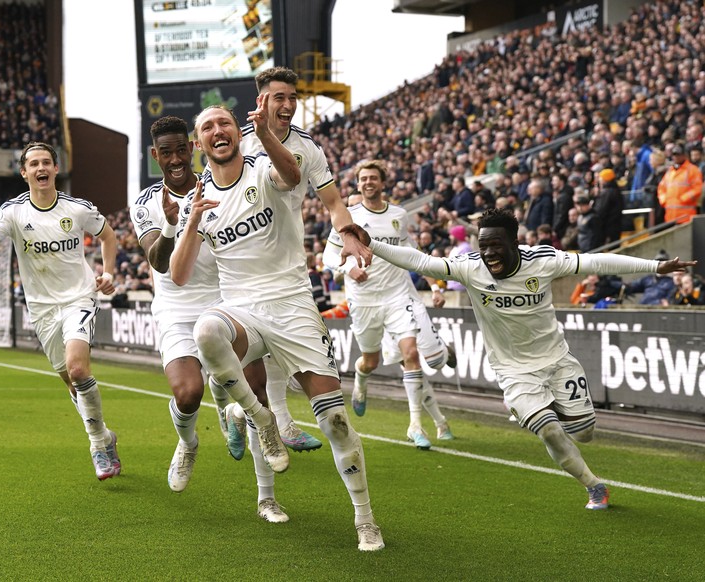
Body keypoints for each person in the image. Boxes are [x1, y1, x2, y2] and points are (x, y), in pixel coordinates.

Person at [338, 207, 695, 510]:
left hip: (557, 360)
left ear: (515, 243)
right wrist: (372, 242)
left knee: (584, 433)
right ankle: (593, 484)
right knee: (550, 431)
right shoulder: (469, 267)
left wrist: (655, 267)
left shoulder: (543, 261)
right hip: (512, 371)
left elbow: (597, 261)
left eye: (496, 245)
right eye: (483, 245)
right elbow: (421, 261)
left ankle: (546, 409)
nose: (489, 253)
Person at [170, 101, 383, 551]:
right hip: (243, 310)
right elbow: (180, 275)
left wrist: (265, 131)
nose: (218, 131)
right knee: (205, 330)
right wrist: (189, 224)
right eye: (208, 127)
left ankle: (366, 520)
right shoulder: (200, 200)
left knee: (337, 423)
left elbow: (291, 176)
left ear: (236, 131)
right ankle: (260, 417)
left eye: (224, 122)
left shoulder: (263, 167)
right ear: (198, 143)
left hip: (292, 307)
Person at [130, 117, 284, 523]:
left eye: (183, 149)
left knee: (257, 391)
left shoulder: (218, 185)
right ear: (155, 156)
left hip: (228, 303)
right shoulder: (145, 202)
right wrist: (169, 222)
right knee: (186, 394)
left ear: (194, 145)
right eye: (167, 153)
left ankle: (266, 498)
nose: (177, 159)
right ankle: (189, 443)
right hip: (177, 312)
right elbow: (159, 263)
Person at [0, 142, 122, 481]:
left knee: (77, 368)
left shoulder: (77, 208)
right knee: (71, 382)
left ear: (56, 169)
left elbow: (108, 236)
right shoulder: (13, 212)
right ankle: (105, 435)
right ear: (24, 172)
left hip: (79, 299)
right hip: (42, 309)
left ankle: (97, 444)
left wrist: (109, 272)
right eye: (34, 163)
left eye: (46, 162)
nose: (41, 168)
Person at [234, 66, 371, 455]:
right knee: (241, 356)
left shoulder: (307, 147)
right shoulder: (238, 143)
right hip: (240, 267)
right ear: (260, 100)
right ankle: (246, 413)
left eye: (293, 97)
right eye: (280, 97)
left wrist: (346, 233)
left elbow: (333, 202)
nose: (289, 105)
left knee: (283, 350)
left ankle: (279, 421)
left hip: (288, 266)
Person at [323, 160, 456, 448]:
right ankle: (361, 378)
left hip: (397, 295)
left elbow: (412, 253)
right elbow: (327, 257)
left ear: (383, 183)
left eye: (373, 178)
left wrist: (434, 284)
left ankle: (415, 425)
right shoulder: (348, 216)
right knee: (370, 361)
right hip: (364, 299)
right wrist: (348, 269)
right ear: (357, 184)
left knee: (411, 353)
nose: (368, 182)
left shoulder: (399, 215)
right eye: (363, 179)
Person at [657, 142, 703, 225]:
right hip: (670, 216)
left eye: (678, 155)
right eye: (674, 155)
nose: (676, 157)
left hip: (686, 216)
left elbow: (697, 188)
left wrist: (684, 198)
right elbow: (661, 188)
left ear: (684, 155)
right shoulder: (670, 172)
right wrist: (664, 200)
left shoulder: (693, 170)